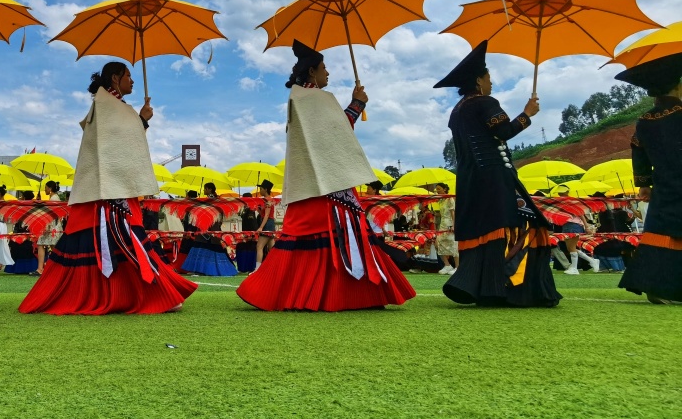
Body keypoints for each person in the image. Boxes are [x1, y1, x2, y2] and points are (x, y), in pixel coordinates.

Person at [236, 40, 416, 311]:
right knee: (336, 236)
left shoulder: (300, 97)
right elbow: (336, 132)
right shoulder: (314, 98)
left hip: (314, 184)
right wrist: (357, 103)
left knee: (309, 238)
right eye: (324, 68)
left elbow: (328, 134)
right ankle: (353, 294)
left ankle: (292, 293)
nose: (328, 73)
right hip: (329, 188)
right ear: (312, 72)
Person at [20, 62, 197, 314]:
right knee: (123, 240)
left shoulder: (112, 107)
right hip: (109, 195)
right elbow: (116, 148)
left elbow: (120, 146)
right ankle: (148, 294)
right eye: (128, 76)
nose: (133, 81)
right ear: (115, 79)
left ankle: (130, 294)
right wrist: (142, 120)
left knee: (118, 241)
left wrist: (140, 121)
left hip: (111, 190)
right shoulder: (109, 107)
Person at [433, 40, 560, 307]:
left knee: (483, 228)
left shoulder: (457, 111)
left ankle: (479, 286)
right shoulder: (485, 102)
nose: (491, 83)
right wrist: (527, 114)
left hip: (470, 180)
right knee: (522, 222)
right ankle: (513, 287)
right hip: (494, 178)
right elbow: (504, 132)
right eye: (489, 77)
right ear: (479, 80)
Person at [614, 54, 682, 304]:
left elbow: (638, 150)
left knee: (661, 235)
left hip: (663, 186)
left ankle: (657, 286)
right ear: (677, 86)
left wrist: (643, 184)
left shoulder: (645, 120)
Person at [179, 183, 238, 276]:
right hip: (208, 227)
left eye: (205, 189)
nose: (203, 190)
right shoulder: (215, 199)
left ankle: (201, 271)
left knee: (205, 247)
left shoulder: (210, 200)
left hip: (209, 227)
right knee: (206, 247)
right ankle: (202, 270)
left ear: (209, 189)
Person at [33, 180, 64, 274]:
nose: (44, 189)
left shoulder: (53, 198)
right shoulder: (55, 197)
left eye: (46, 188)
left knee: (42, 244)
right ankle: (57, 268)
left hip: (51, 225)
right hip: (54, 225)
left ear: (50, 189)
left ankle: (40, 269)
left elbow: (50, 214)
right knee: (53, 246)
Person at [434, 182, 458, 275]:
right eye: (436, 189)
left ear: (444, 189)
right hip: (442, 225)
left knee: (453, 245)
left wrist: (453, 225)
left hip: (450, 225)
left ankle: (457, 267)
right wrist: (436, 214)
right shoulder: (441, 200)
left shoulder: (450, 199)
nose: (437, 191)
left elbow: (453, 213)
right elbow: (443, 213)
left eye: (439, 189)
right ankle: (447, 265)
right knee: (437, 244)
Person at [254, 180, 277, 270]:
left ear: (266, 189)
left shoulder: (268, 200)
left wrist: (260, 227)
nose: (260, 190)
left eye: (261, 188)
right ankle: (275, 268)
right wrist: (258, 209)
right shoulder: (266, 200)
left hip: (267, 224)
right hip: (269, 224)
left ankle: (257, 269)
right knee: (271, 249)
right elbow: (264, 214)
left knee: (259, 247)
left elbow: (267, 215)